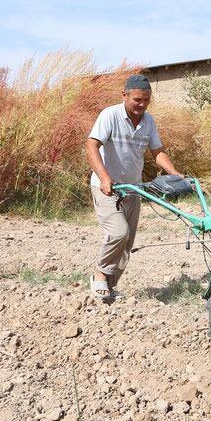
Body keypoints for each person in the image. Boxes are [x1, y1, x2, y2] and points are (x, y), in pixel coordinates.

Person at [85, 74, 180, 300]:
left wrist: (176, 174)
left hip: (133, 189)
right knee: (119, 233)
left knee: (126, 244)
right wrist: (105, 178)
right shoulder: (110, 115)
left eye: (146, 100)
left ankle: (109, 286)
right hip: (107, 188)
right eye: (137, 99)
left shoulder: (149, 121)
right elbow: (91, 146)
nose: (142, 105)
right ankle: (99, 275)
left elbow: (157, 152)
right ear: (124, 95)